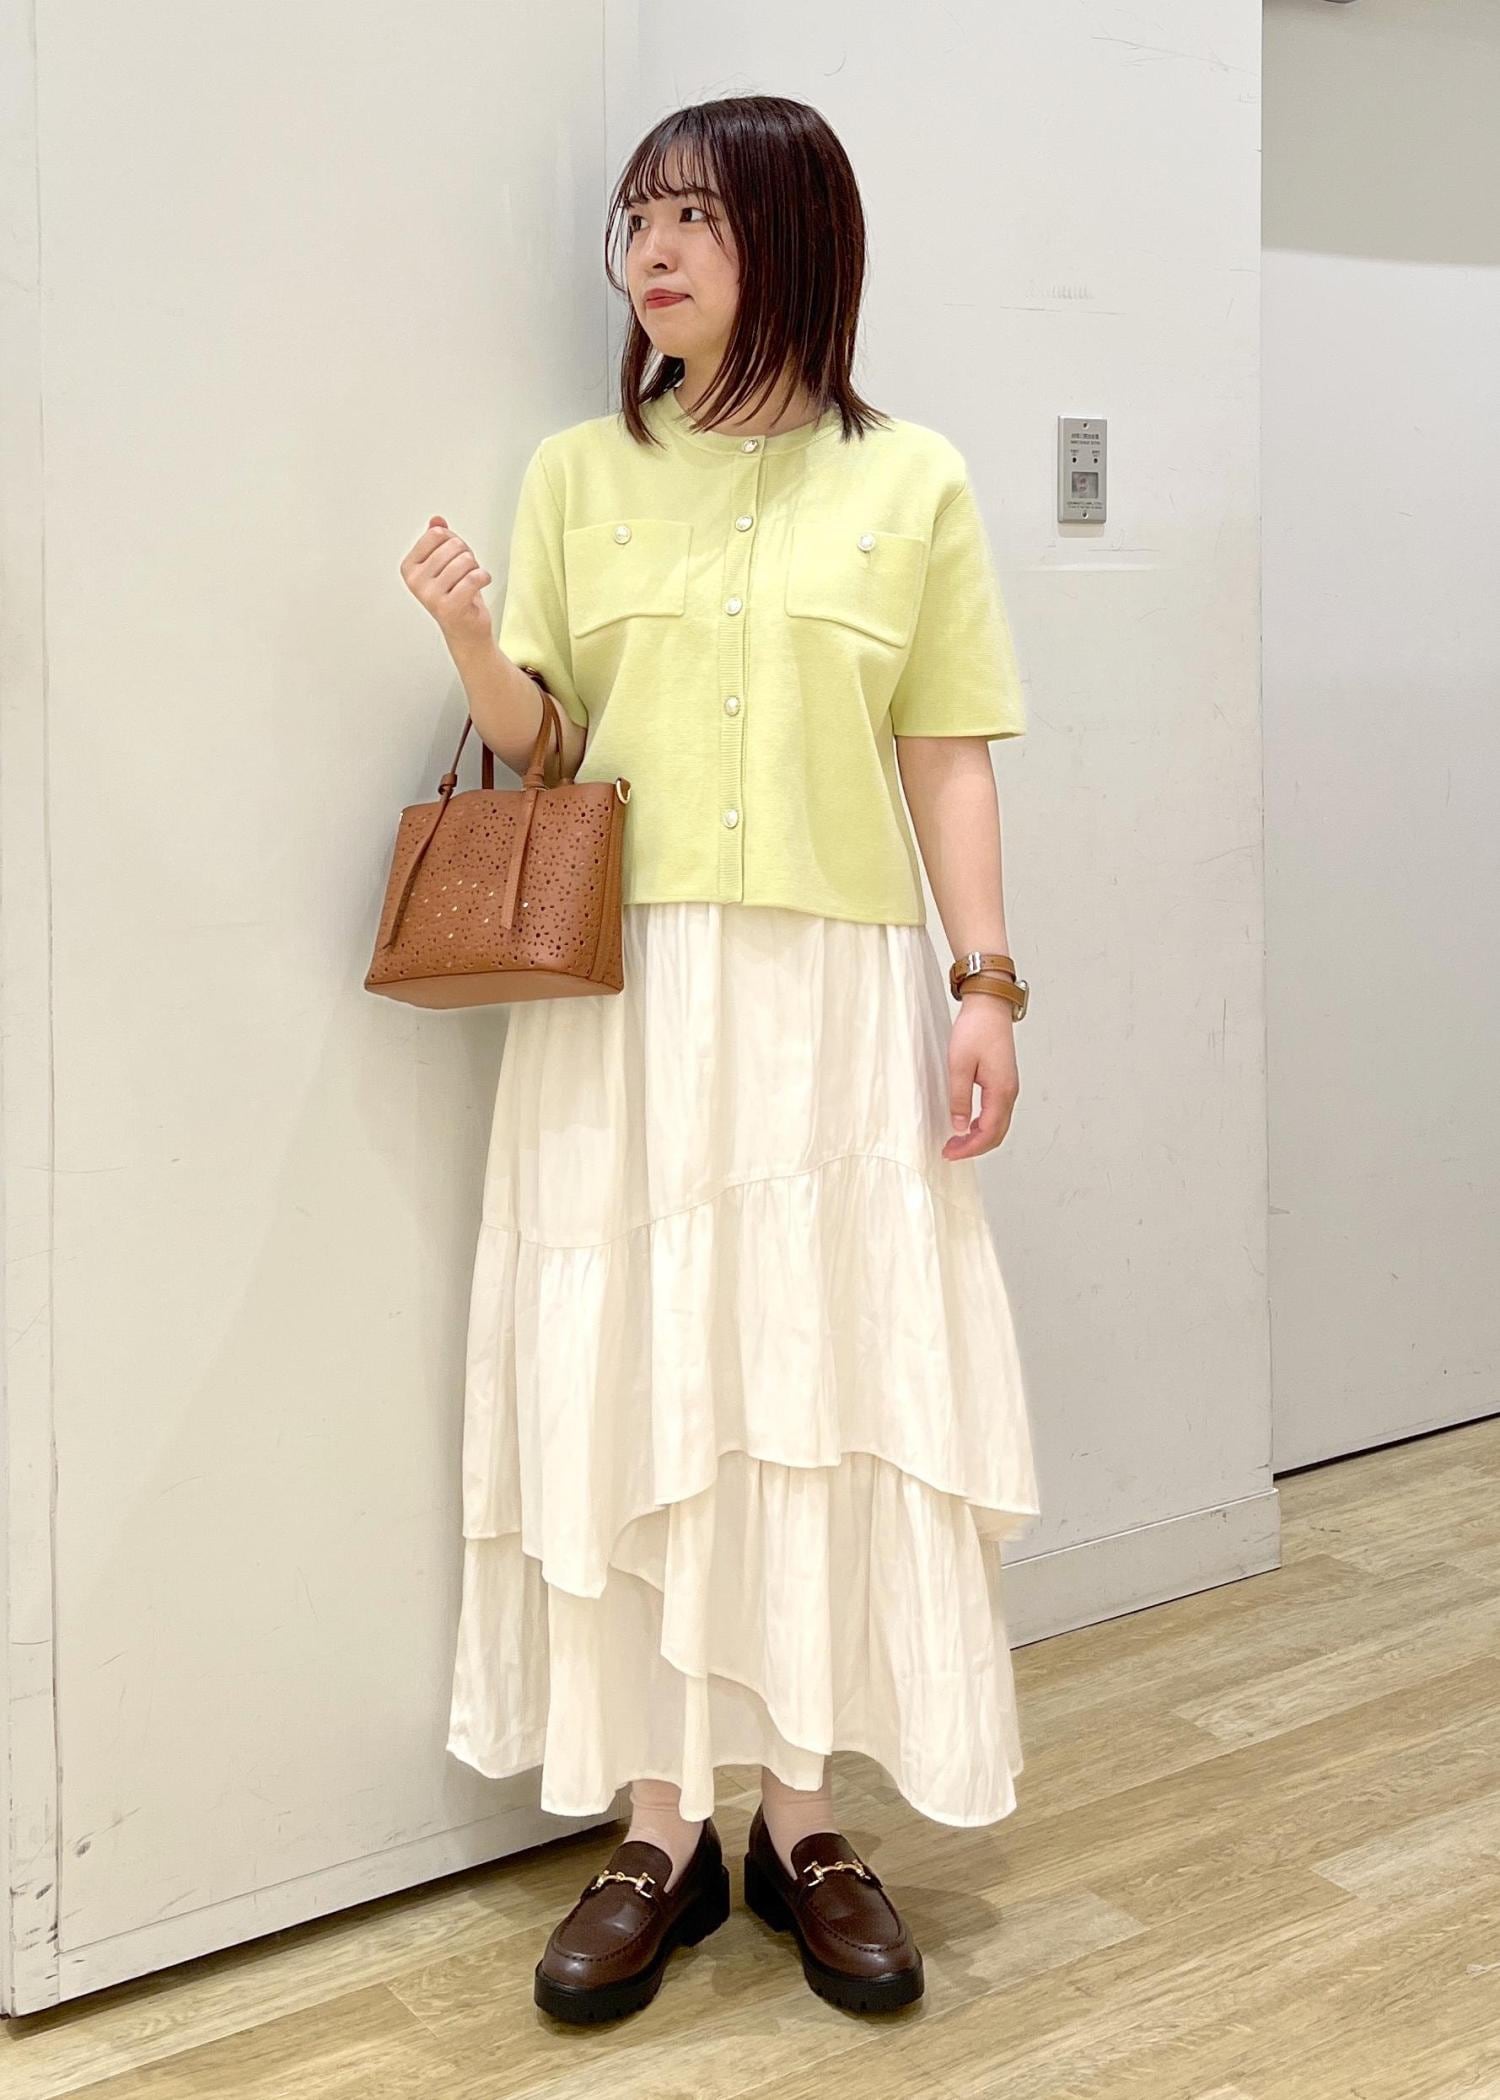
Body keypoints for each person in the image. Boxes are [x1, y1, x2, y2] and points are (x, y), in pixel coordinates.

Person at [400, 92, 1040, 2026]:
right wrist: (471, 642)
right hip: (630, 994)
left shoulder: (912, 478)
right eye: (638, 220)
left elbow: (945, 749)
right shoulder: (578, 471)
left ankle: (805, 1819)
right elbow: (547, 742)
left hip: (836, 993)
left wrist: (988, 983)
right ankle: (655, 1828)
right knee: (640, 1373)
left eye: (696, 217)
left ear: (794, 238)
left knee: (812, 1373)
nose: (653, 253)